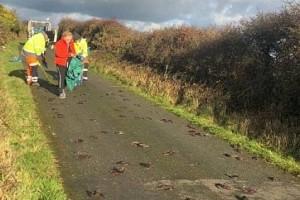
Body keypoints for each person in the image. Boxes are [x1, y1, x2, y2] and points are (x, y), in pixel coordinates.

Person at [55, 31, 76, 99]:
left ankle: (62, 87)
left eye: (70, 39)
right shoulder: (59, 43)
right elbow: (59, 54)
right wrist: (69, 54)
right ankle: (61, 92)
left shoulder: (71, 43)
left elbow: (74, 51)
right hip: (60, 63)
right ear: (63, 37)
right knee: (61, 77)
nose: (68, 41)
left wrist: (74, 54)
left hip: (69, 62)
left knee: (66, 77)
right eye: (67, 39)